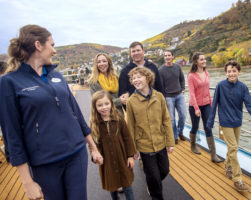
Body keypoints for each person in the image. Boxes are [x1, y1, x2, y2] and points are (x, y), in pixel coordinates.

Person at [0, 25, 102, 200]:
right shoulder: (10, 82)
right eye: (52, 45)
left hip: (76, 153)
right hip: (44, 163)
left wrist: (93, 147)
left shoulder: (57, 76)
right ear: (38, 45)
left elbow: (76, 113)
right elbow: (12, 135)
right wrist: (26, 182)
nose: (54, 51)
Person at [207, 60, 251, 192]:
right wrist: (210, 122)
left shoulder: (243, 87)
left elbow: (250, 105)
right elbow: (214, 104)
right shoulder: (220, 86)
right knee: (233, 148)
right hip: (225, 122)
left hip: (237, 122)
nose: (231, 73)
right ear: (225, 73)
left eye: (234, 71)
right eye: (229, 71)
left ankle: (227, 166)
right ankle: (237, 179)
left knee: (232, 149)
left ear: (239, 72)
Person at [126, 67, 174, 200]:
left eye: (139, 77)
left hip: (160, 142)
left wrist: (170, 142)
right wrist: (132, 149)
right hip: (145, 145)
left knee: (164, 170)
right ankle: (155, 194)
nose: (136, 80)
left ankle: (152, 185)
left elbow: (166, 120)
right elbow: (130, 126)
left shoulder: (159, 97)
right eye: (133, 78)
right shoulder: (131, 101)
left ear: (148, 78)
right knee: (153, 176)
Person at [89, 90, 136, 200]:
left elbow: (127, 138)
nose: (104, 107)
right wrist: (94, 156)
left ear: (111, 103)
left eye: (106, 104)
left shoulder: (119, 118)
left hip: (122, 158)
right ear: (95, 107)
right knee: (112, 186)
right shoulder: (94, 123)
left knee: (127, 185)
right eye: (99, 105)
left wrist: (130, 156)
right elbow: (92, 145)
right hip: (107, 162)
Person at [187, 52, 222, 163]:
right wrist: (196, 108)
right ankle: (193, 145)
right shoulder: (191, 76)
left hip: (206, 105)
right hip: (195, 106)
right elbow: (192, 93)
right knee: (195, 126)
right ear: (196, 61)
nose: (204, 61)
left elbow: (207, 91)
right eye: (201, 59)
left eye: (205, 59)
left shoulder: (207, 73)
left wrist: (211, 105)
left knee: (208, 127)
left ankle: (213, 155)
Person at [118, 41, 163, 106]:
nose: (136, 53)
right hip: (136, 107)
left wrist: (161, 103)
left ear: (143, 51)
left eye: (138, 50)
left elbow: (159, 87)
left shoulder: (152, 67)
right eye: (133, 51)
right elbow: (122, 92)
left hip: (154, 104)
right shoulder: (125, 71)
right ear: (130, 54)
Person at [159, 50, 186, 144]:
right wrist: (164, 98)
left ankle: (180, 132)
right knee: (172, 119)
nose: (167, 57)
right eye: (165, 56)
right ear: (164, 57)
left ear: (172, 57)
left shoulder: (177, 67)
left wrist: (182, 89)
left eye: (169, 55)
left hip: (179, 95)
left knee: (183, 115)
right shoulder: (161, 70)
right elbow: (161, 87)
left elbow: (182, 79)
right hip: (168, 97)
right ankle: (174, 136)